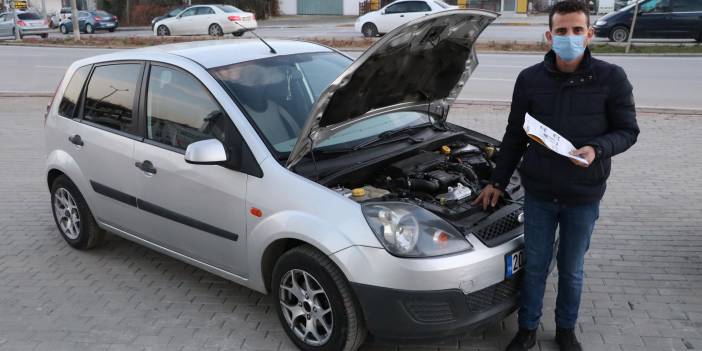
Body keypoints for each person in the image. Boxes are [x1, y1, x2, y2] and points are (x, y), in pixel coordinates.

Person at [472, 1, 640, 350]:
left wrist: (597, 148)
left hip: (583, 193)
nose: (569, 37)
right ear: (549, 35)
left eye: (577, 30)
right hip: (539, 194)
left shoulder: (611, 78)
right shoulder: (530, 79)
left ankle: (565, 329)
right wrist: (497, 181)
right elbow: (515, 136)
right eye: (562, 31)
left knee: (571, 269)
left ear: (590, 34)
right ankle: (527, 328)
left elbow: (627, 130)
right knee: (534, 266)